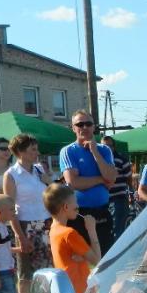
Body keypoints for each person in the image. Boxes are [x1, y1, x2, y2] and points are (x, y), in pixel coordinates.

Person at [3, 134, 52, 293]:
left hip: (44, 224)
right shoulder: (11, 174)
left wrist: (49, 180)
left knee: (41, 273)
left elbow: (51, 192)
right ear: (20, 152)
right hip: (25, 226)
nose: (36, 153)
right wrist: (20, 236)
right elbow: (10, 209)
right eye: (32, 149)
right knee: (25, 275)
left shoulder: (39, 170)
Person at [59, 110, 117, 256]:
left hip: (102, 211)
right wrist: (101, 179)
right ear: (73, 128)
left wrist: (95, 152)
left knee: (105, 257)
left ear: (93, 127)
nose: (84, 127)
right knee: (83, 259)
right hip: (78, 214)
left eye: (88, 124)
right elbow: (73, 182)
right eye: (80, 124)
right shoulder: (68, 151)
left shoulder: (104, 150)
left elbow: (111, 177)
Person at [44, 183, 100, 293]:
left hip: (66, 290)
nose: (78, 206)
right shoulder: (69, 233)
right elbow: (97, 260)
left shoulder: (53, 230)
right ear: (65, 207)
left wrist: (82, 258)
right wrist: (92, 230)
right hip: (80, 292)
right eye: (75, 202)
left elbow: (68, 257)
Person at [101, 135, 133, 239]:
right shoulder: (99, 160)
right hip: (104, 201)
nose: (107, 149)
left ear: (114, 147)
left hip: (118, 199)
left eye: (109, 146)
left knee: (117, 231)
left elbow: (129, 179)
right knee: (107, 231)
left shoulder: (121, 159)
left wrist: (130, 194)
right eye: (104, 146)